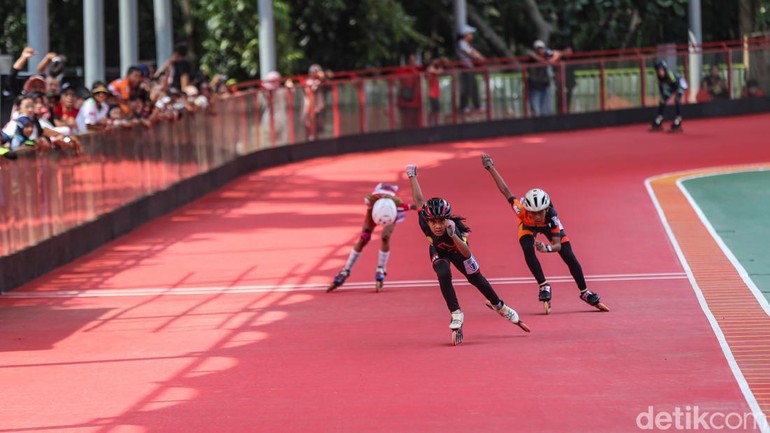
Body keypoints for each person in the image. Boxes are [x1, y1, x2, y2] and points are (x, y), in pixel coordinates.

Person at [405, 163, 530, 344]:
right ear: (427, 221)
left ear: (447, 219)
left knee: (476, 279)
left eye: (441, 221)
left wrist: (453, 236)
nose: (438, 225)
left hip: (458, 249)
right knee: (443, 273)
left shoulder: (455, 229)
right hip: (439, 250)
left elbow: (466, 253)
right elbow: (418, 199)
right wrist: (411, 175)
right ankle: (456, 313)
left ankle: (500, 307)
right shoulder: (424, 222)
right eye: (434, 222)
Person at [479, 153, 609, 314]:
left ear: (546, 209)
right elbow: (505, 190)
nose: (538, 216)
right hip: (527, 226)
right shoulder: (521, 210)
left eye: (541, 212)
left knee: (568, 255)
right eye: (534, 212)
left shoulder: (552, 216)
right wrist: (490, 168)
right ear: (528, 210)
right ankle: (543, 285)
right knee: (527, 247)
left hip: (549, 227)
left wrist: (546, 248)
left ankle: (585, 292)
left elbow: (557, 244)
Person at [328, 183, 416, 293]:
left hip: (391, 212)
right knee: (363, 238)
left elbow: (415, 206)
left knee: (385, 237)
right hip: (376, 211)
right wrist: (366, 232)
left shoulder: (397, 206)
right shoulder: (371, 201)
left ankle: (381, 269)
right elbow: (367, 220)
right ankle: (345, 271)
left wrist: (424, 206)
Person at [650, 59, 687, 132]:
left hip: (680, 84)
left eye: (661, 70)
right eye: (658, 70)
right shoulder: (659, 77)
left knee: (677, 99)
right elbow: (661, 87)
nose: (659, 72)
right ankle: (659, 118)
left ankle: (678, 120)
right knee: (662, 100)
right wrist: (662, 96)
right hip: (672, 86)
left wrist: (675, 95)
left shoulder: (669, 74)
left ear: (664, 69)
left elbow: (676, 85)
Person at [456, 25, 484, 114]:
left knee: (474, 87)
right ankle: (463, 107)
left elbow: (476, 53)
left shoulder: (467, 44)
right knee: (467, 88)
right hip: (466, 68)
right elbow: (472, 54)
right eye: (470, 34)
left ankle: (477, 106)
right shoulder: (461, 43)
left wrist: (480, 56)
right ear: (465, 34)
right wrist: (478, 57)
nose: (472, 35)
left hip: (470, 68)